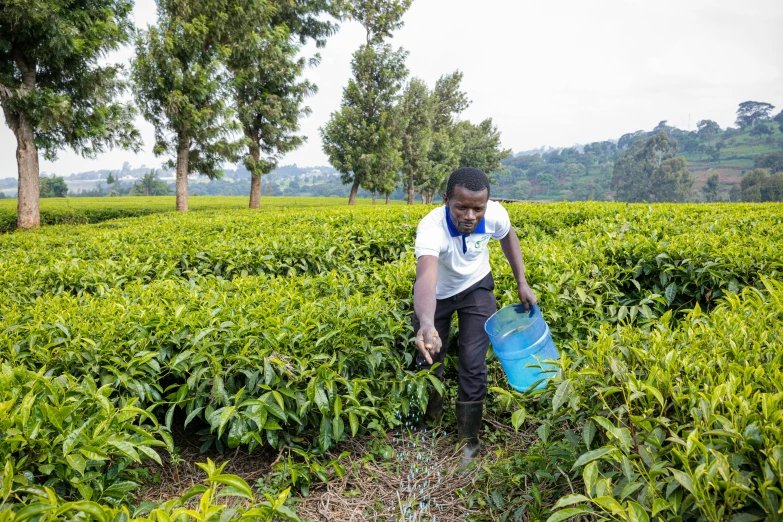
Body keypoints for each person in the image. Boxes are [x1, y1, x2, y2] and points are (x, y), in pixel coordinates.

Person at [412, 167, 537, 467]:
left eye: (477, 209)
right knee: (429, 358)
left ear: (487, 204)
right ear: (446, 201)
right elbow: (426, 276)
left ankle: (469, 440)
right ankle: (429, 421)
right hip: (436, 294)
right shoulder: (431, 228)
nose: (470, 215)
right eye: (461, 207)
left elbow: (508, 237)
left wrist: (521, 281)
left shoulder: (494, 214)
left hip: (476, 287)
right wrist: (427, 323)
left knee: (473, 359)